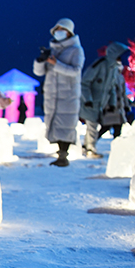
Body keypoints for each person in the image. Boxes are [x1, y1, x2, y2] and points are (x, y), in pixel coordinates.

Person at [33, 18, 85, 167]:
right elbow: (38, 72)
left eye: (62, 30)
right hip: (52, 94)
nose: (58, 33)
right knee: (54, 124)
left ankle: (64, 155)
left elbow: (75, 71)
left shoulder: (76, 50)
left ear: (69, 32)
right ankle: (59, 154)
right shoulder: (53, 50)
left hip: (68, 94)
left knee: (67, 124)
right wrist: (40, 60)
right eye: (56, 30)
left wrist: (57, 64)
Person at [79, 41, 129, 158]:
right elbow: (85, 83)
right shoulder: (100, 65)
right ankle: (90, 149)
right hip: (90, 103)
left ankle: (87, 147)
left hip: (100, 103)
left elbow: (111, 88)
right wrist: (88, 99)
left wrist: (111, 104)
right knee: (92, 126)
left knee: (93, 126)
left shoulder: (114, 69)